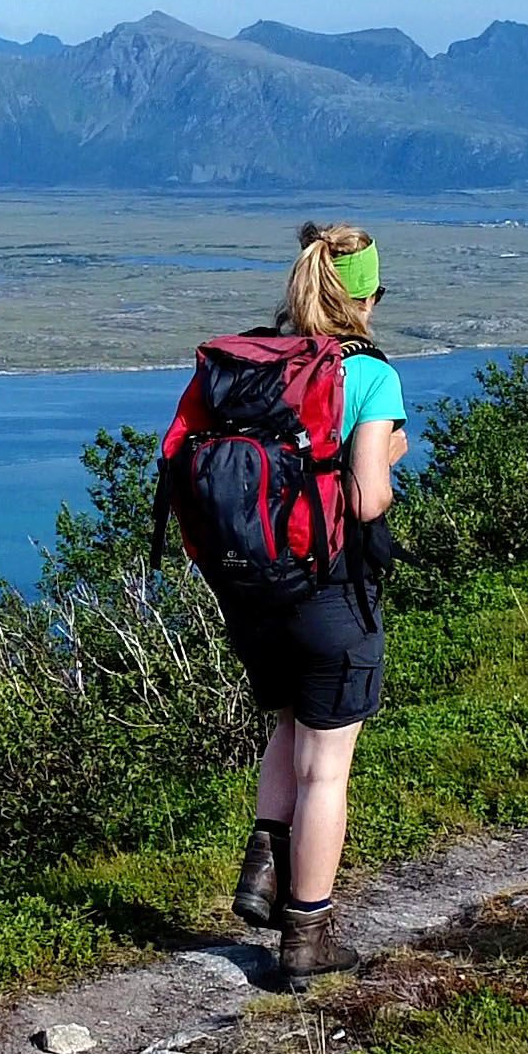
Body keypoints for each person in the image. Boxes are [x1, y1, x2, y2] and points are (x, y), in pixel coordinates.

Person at [225, 221, 406, 987]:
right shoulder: (368, 372)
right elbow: (367, 500)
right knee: (327, 769)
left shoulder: (264, 358)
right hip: (331, 592)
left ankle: (262, 876)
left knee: (289, 723)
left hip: (257, 591)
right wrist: (391, 451)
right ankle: (307, 938)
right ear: (366, 293)